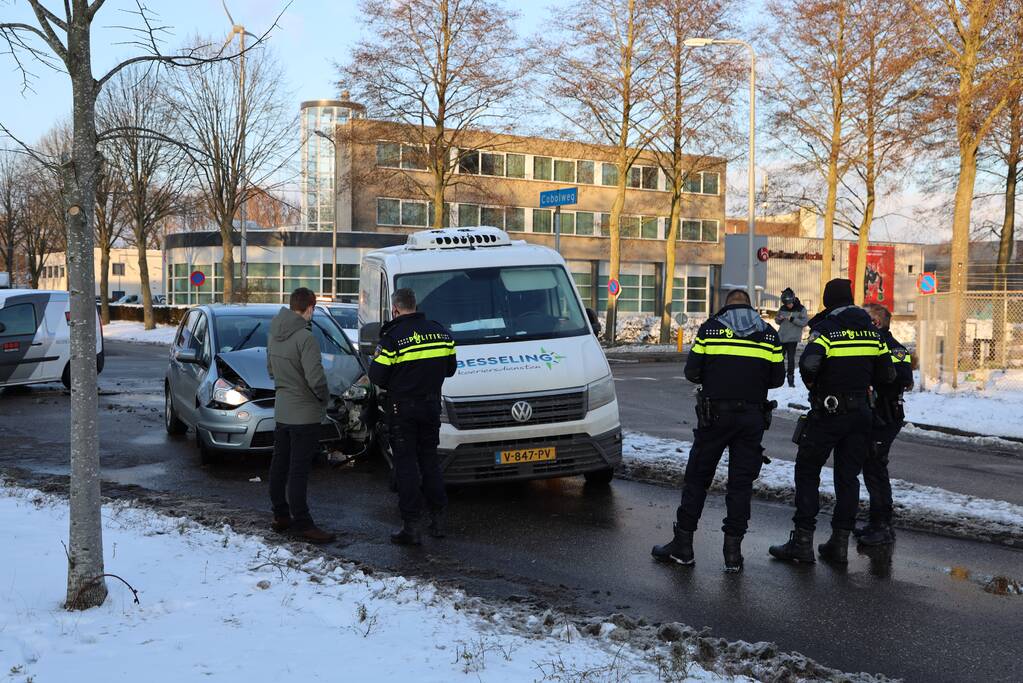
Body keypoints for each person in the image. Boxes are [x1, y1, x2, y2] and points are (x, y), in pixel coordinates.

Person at [652, 289, 784, 572]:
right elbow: (777, 379)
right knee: (740, 485)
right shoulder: (770, 334)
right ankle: (733, 555)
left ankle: (683, 546)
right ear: (750, 307)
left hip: (715, 418)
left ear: (726, 307)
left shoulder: (710, 329)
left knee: (697, 479)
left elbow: (691, 372)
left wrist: (717, 375)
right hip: (751, 418)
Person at [769, 279, 895, 565]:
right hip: (861, 414)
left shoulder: (826, 329)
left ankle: (802, 543)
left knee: (807, 470)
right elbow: (888, 374)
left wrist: (816, 386)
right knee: (847, 477)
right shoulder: (872, 333)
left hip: (829, 412)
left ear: (828, 300)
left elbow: (809, 365)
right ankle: (838, 545)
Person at [368, 288, 457, 545]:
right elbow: (450, 369)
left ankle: (411, 526)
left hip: (403, 410)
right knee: (430, 461)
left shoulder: (393, 338)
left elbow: (377, 376)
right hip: (431, 407)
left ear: (395, 309)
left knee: (406, 466)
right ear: (415, 305)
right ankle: (439, 520)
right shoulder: (441, 332)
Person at [266, 287, 335, 544]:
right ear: (309, 308)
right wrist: (323, 398)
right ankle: (304, 523)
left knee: (279, 465)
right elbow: (315, 378)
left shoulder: (274, 333)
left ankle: (281, 515)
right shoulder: (306, 338)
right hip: (305, 413)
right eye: (313, 309)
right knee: (298, 471)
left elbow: (271, 370)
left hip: (283, 410)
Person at [855, 303, 913, 546]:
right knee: (871, 468)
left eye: (866, 318)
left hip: (884, 417)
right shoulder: (876, 346)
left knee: (876, 468)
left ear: (876, 323)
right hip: (877, 416)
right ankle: (877, 522)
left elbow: (904, 379)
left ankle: (882, 526)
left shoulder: (894, 349)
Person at [774, 287, 809, 387]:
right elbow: (777, 320)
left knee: (790, 359)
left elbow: (804, 322)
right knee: (778, 358)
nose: (788, 306)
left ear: (793, 300)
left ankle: (790, 379)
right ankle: (778, 377)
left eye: (789, 304)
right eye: (786, 304)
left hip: (793, 338)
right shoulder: (783, 308)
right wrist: (779, 319)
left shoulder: (801, 309)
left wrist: (792, 319)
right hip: (782, 336)